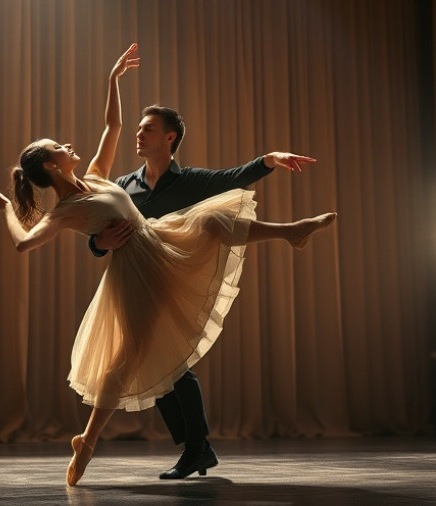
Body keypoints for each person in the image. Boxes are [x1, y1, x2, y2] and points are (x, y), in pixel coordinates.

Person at [0, 43, 336, 486]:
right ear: (51, 164)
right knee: (131, 360)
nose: (70, 145)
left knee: (214, 218)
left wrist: (113, 79)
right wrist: (10, 207)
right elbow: (24, 244)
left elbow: (113, 124)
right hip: (136, 276)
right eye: (59, 147)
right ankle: (87, 442)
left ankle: (290, 231)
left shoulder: (98, 177)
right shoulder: (66, 210)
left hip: (162, 244)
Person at [88, 104, 318, 480]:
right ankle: (198, 449)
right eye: (138, 128)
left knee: (172, 364)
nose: (138, 134)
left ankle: (196, 448)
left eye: (147, 129)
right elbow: (94, 236)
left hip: (175, 280)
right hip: (133, 284)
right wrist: (100, 241)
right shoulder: (124, 186)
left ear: (169, 138)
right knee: (161, 367)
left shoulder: (191, 180)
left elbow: (235, 177)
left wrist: (270, 160)